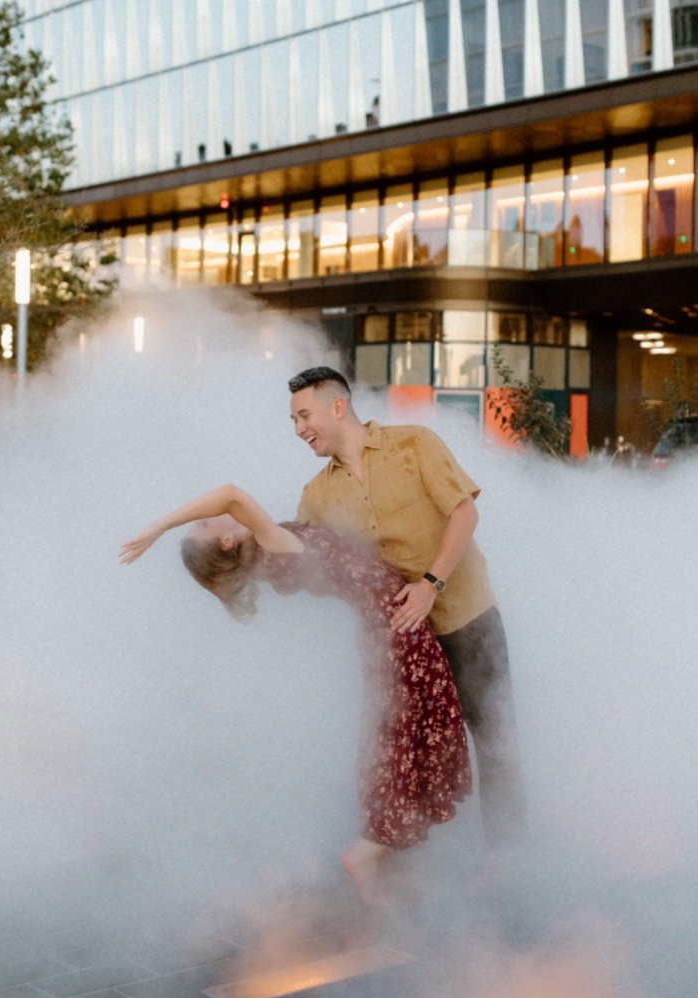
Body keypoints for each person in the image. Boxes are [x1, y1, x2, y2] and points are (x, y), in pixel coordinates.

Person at [121, 484, 472, 905]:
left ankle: (388, 857)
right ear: (226, 539)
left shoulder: (270, 549)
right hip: (397, 631)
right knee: (410, 742)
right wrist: (160, 525)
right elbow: (230, 493)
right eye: (203, 524)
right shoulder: (272, 542)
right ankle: (367, 854)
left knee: (405, 740)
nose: (206, 515)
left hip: (390, 629)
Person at [286, 366, 525, 846]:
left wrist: (429, 584)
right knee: (411, 757)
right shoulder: (316, 495)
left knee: (495, 742)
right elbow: (305, 565)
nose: (298, 429)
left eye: (303, 415)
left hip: (466, 618)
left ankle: (509, 860)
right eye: (293, 421)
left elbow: (464, 511)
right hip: (404, 646)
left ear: (338, 406)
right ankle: (424, 869)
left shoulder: (414, 444)